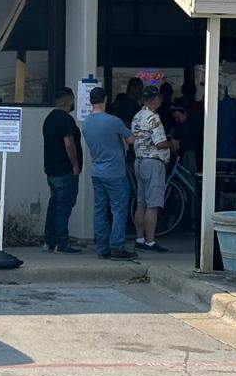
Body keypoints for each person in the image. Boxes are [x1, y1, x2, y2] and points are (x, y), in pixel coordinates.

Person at [82, 87, 138, 260]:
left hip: (97, 170)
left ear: (90, 101)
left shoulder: (86, 123)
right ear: (105, 99)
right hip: (115, 171)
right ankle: (117, 246)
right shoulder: (113, 121)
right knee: (119, 210)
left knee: (100, 209)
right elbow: (131, 139)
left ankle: (102, 248)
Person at [131, 84, 172, 254]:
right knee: (153, 205)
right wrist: (173, 144)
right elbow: (160, 143)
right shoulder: (153, 118)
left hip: (139, 161)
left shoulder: (137, 116)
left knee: (141, 203)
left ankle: (140, 238)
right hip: (153, 163)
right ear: (156, 99)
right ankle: (150, 242)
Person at [42, 87, 83, 254]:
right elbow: (68, 143)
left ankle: (50, 241)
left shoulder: (49, 118)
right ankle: (62, 243)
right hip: (65, 170)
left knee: (54, 204)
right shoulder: (65, 120)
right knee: (64, 206)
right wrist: (75, 165)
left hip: (51, 170)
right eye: (73, 100)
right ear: (68, 100)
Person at [169, 97, 203, 169]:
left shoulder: (193, 124)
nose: (177, 120)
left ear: (184, 112)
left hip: (190, 155)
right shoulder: (180, 126)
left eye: (178, 117)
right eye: (175, 118)